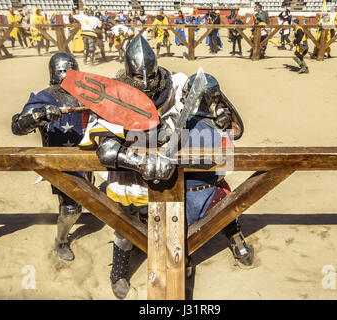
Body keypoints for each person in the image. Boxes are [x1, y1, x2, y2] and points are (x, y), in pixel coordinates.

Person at [82, 36, 252, 299]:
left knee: (210, 201)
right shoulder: (113, 97)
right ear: (129, 74)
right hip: (134, 176)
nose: (147, 84)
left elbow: (201, 84)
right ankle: (118, 270)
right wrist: (141, 162)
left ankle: (225, 241)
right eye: (139, 78)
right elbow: (106, 149)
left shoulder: (173, 84)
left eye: (150, 76)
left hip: (177, 169)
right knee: (126, 227)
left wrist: (211, 96)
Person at [11, 53, 90, 261]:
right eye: (63, 70)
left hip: (88, 158)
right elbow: (18, 126)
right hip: (60, 163)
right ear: (54, 72)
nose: (66, 75)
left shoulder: (88, 94)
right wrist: (40, 114)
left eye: (71, 70)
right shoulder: (44, 97)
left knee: (90, 198)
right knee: (72, 209)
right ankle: (61, 240)